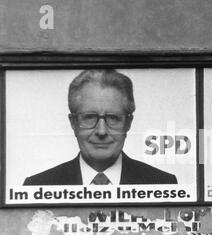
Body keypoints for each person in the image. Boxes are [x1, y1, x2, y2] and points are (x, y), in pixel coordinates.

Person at [24, 69, 177, 185]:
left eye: (113, 118)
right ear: (73, 123)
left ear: (128, 123)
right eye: (89, 117)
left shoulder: (164, 183)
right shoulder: (37, 186)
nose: (101, 131)